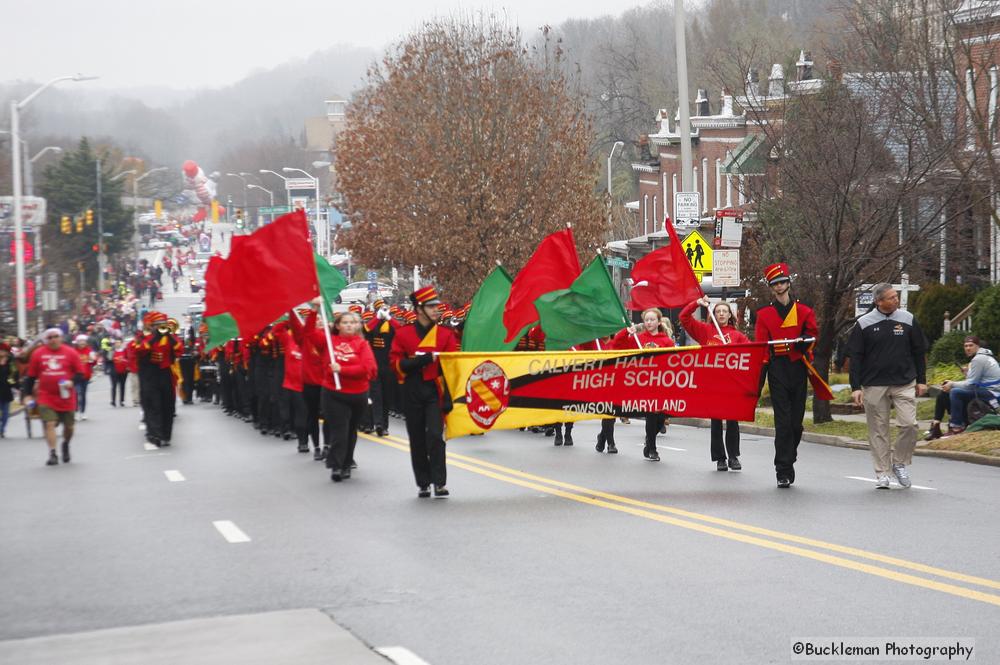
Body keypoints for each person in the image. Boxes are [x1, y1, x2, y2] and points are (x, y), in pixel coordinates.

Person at [847, 283, 928, 490]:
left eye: (895, 296)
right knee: (878, 430)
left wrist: (922, 380)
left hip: (904, 381)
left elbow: (919, 351)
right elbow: (855, 358)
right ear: (878, 301)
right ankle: (882, 473)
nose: (895, 300)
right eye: (891, 297)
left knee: (909, 425)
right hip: (874, 384)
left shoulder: (908, 319)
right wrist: (855, 387)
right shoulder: (864, 323)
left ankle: (899, 462)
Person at [390, 285, 459, 498]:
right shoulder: (404, 334)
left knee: (436, 436)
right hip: (412, 390)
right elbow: (396, 363)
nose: (436, 310)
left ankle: (439, 482)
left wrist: (449, 396)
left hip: (434, 390)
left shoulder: (446, 334)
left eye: (437, 306)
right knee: (417, 438)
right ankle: (423, 482)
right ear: (419, 309)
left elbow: (452, 367)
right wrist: (420, 361)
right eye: (431, 306)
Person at [754, 263, 818, 489]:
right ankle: (782, 469)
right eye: (775, 284)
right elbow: (761, 348)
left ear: (789, 284)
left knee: (796, 424)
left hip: (798, 368)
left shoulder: (804, 311)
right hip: (777, 369)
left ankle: (789, 455)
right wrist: (759, 380)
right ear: (771, 289)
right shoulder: (764, 314)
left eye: (782, 282)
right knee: (782, 423)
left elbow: (812, 335)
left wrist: (802, 342)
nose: (779, 286)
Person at [680, 296, 750, 471]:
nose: (721, 314)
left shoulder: (738, 336)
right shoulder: (705, 330)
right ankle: (720, 458)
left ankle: (733, 457)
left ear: (730, 315)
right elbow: (684, 318)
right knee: (716, 422)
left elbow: (750, 355)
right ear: (713, 314)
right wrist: (696, 303)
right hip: (712, 384)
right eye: (718, 311)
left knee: (733, 421)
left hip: (732, 385)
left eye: (724, 311)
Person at [311, 310, 377, 482]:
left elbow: (367, 369)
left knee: (351, 430)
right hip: (334, 393)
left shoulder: (362, 345)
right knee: (340, 430)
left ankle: (347, 462)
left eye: (353, 322)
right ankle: (336, 465)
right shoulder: (329, 342)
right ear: (338, 325)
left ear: (357, 326)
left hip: (358, 394)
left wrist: (343, 370)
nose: (349, 325)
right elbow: (308, 334)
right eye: (345, 322)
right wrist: (313, 311)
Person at [612, 308, 675, 461]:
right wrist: (626, 331)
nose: (649, 322)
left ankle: (649, 440)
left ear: (659, 322)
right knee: (651, 415)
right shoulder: (638, 339)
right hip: (645, 383)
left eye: (652, 319)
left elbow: (673, 360)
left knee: (661, 417)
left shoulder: (666, 341)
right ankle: (652, 449)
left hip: (661, 382)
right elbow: (617, 344)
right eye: (646, 320)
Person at [24, 329, 84, 465]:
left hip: (66, 396)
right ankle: (52, 453)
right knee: (49, 424)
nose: (53, 339)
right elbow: (31, 377)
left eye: (56, 337)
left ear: (61, 338)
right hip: (46, 395)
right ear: (46, 340)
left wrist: (71, 382)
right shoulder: (38, 354)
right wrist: (27, 395)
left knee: (69, 427)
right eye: (50, 337)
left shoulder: (71, 352)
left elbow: (80, 374)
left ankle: (66, 444)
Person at [136, 312, 183, 447]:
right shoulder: (147, 337)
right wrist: (154, 338)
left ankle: (166, 435)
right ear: (153, 326)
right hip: (150, 375)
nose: (161, 328)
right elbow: (139, 350)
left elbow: (179, 349)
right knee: (154, 404)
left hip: (165, 374)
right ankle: (155, 434)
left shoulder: (170, 338)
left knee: (168, 405)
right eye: (158, 325)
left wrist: (170, 337)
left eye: (163, 325)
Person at [941, 335, 1000, 435]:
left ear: (978, 346)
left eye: (971, 345)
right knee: (946, 393)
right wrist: (967, 373)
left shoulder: (978, 359)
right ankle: (937, 424)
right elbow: (976, 381)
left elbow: (970, 385)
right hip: (989, 390)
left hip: (993, 394)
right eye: (966, 346)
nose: (968, 348)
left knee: (955, 392)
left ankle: (957, 426)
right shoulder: (985, 356)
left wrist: (952, 383)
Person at [73, 334, 97, 421]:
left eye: (83, 341)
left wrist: (93, 360)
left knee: (83, 394)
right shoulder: (74, 351)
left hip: (86, 376)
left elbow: (93, 363)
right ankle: (75, 412)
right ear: (77, 342)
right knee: (76, 394)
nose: (82, 343)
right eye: (80, 341)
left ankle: (83, 412)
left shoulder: (89, 350)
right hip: (76, 377)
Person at [0, 342, 16, 437]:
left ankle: (2, 429)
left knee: (5, 412)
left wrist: (11, 382)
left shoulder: (10, 361)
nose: (1, 352)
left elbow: (14, 373)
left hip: (6, 389)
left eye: (3, 351)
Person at [108, 338, 129, 407]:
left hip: (123, 371)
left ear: (121, 343)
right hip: (114, 371)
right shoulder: (112, 350)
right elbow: (108, 359)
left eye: (119, 342)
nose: (117, 344)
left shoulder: (125, 350)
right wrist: (111, 351)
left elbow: (128, 358)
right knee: (114, 386)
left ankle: (122, 401)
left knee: (122, 386)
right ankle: (113, 401)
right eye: (116, 342)